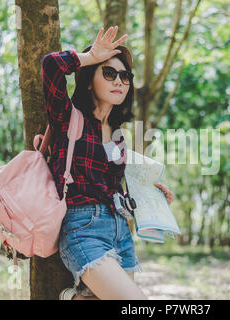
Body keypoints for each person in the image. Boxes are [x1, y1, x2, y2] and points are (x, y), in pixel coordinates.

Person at [41, 26, 175, 300]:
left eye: (125, 76)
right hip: (82, 230)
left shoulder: (118, 135)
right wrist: (88, 58)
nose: (119, 81)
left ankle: (77, 298)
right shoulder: (69, 118)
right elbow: (51, 65)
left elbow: (111, 189)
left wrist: (152, 198)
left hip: (120, 232)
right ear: (90, 80)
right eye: (109, 73)